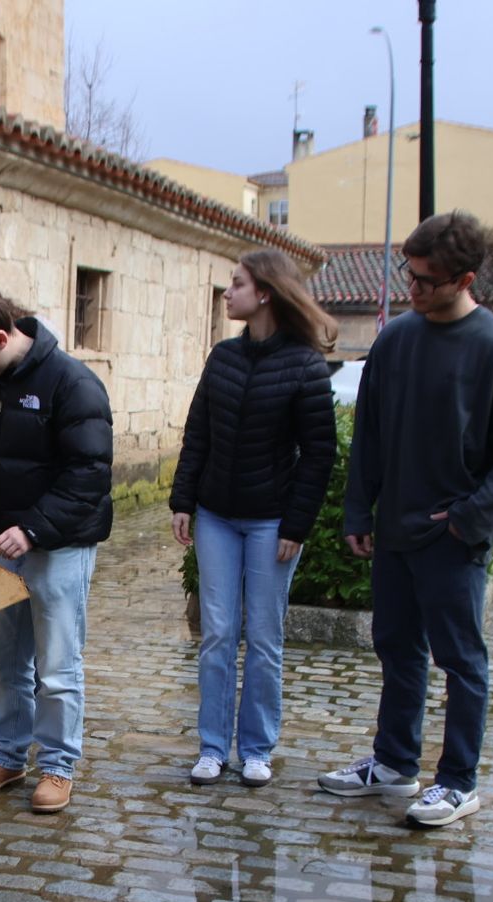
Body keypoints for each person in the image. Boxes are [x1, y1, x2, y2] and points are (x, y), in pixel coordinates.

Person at [317, 211, 493, 827]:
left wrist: (469, 519)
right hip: (394, 527)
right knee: (396, 647)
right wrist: (359, 510)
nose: (413, 289)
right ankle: (394, 764)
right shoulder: (397, 339)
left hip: (452, 535)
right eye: (408, 274)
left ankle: (458, 781)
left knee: (461, 659)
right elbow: (369, 433)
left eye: (426, 280)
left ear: (463, 278)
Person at [0, 290, 113, 814]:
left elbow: (89, 474)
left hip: (57, 546)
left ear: (2, 338)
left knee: (57, 665)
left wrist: (32, 530)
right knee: (3, 665)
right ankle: (7, 756)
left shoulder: (72, 383)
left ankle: (57, 766)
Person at [171, 249, 338, 788]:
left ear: (265, 292)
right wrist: (183, 500)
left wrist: (297, 524)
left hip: (271, 523)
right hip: (217, 515)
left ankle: (258, 748)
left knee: (264, 637)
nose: (228, 292)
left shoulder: (307, 365)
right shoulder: (222, 357)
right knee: (218, 633)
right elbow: (198, 433)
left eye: (237, 284)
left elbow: (318, 453)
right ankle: (213, 747)